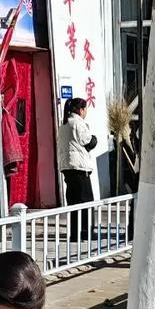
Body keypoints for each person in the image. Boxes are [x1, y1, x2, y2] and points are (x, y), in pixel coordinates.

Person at [58, 96, 98, 244]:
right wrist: (94, 138)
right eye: (85, 108)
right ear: (81, 110)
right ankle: (86, 232)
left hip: (67, 167)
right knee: (86, 202)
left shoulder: (63, 125)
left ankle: (74, 234)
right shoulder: (78, 124)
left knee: (73, 203)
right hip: (80, 168)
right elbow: (88, 141)